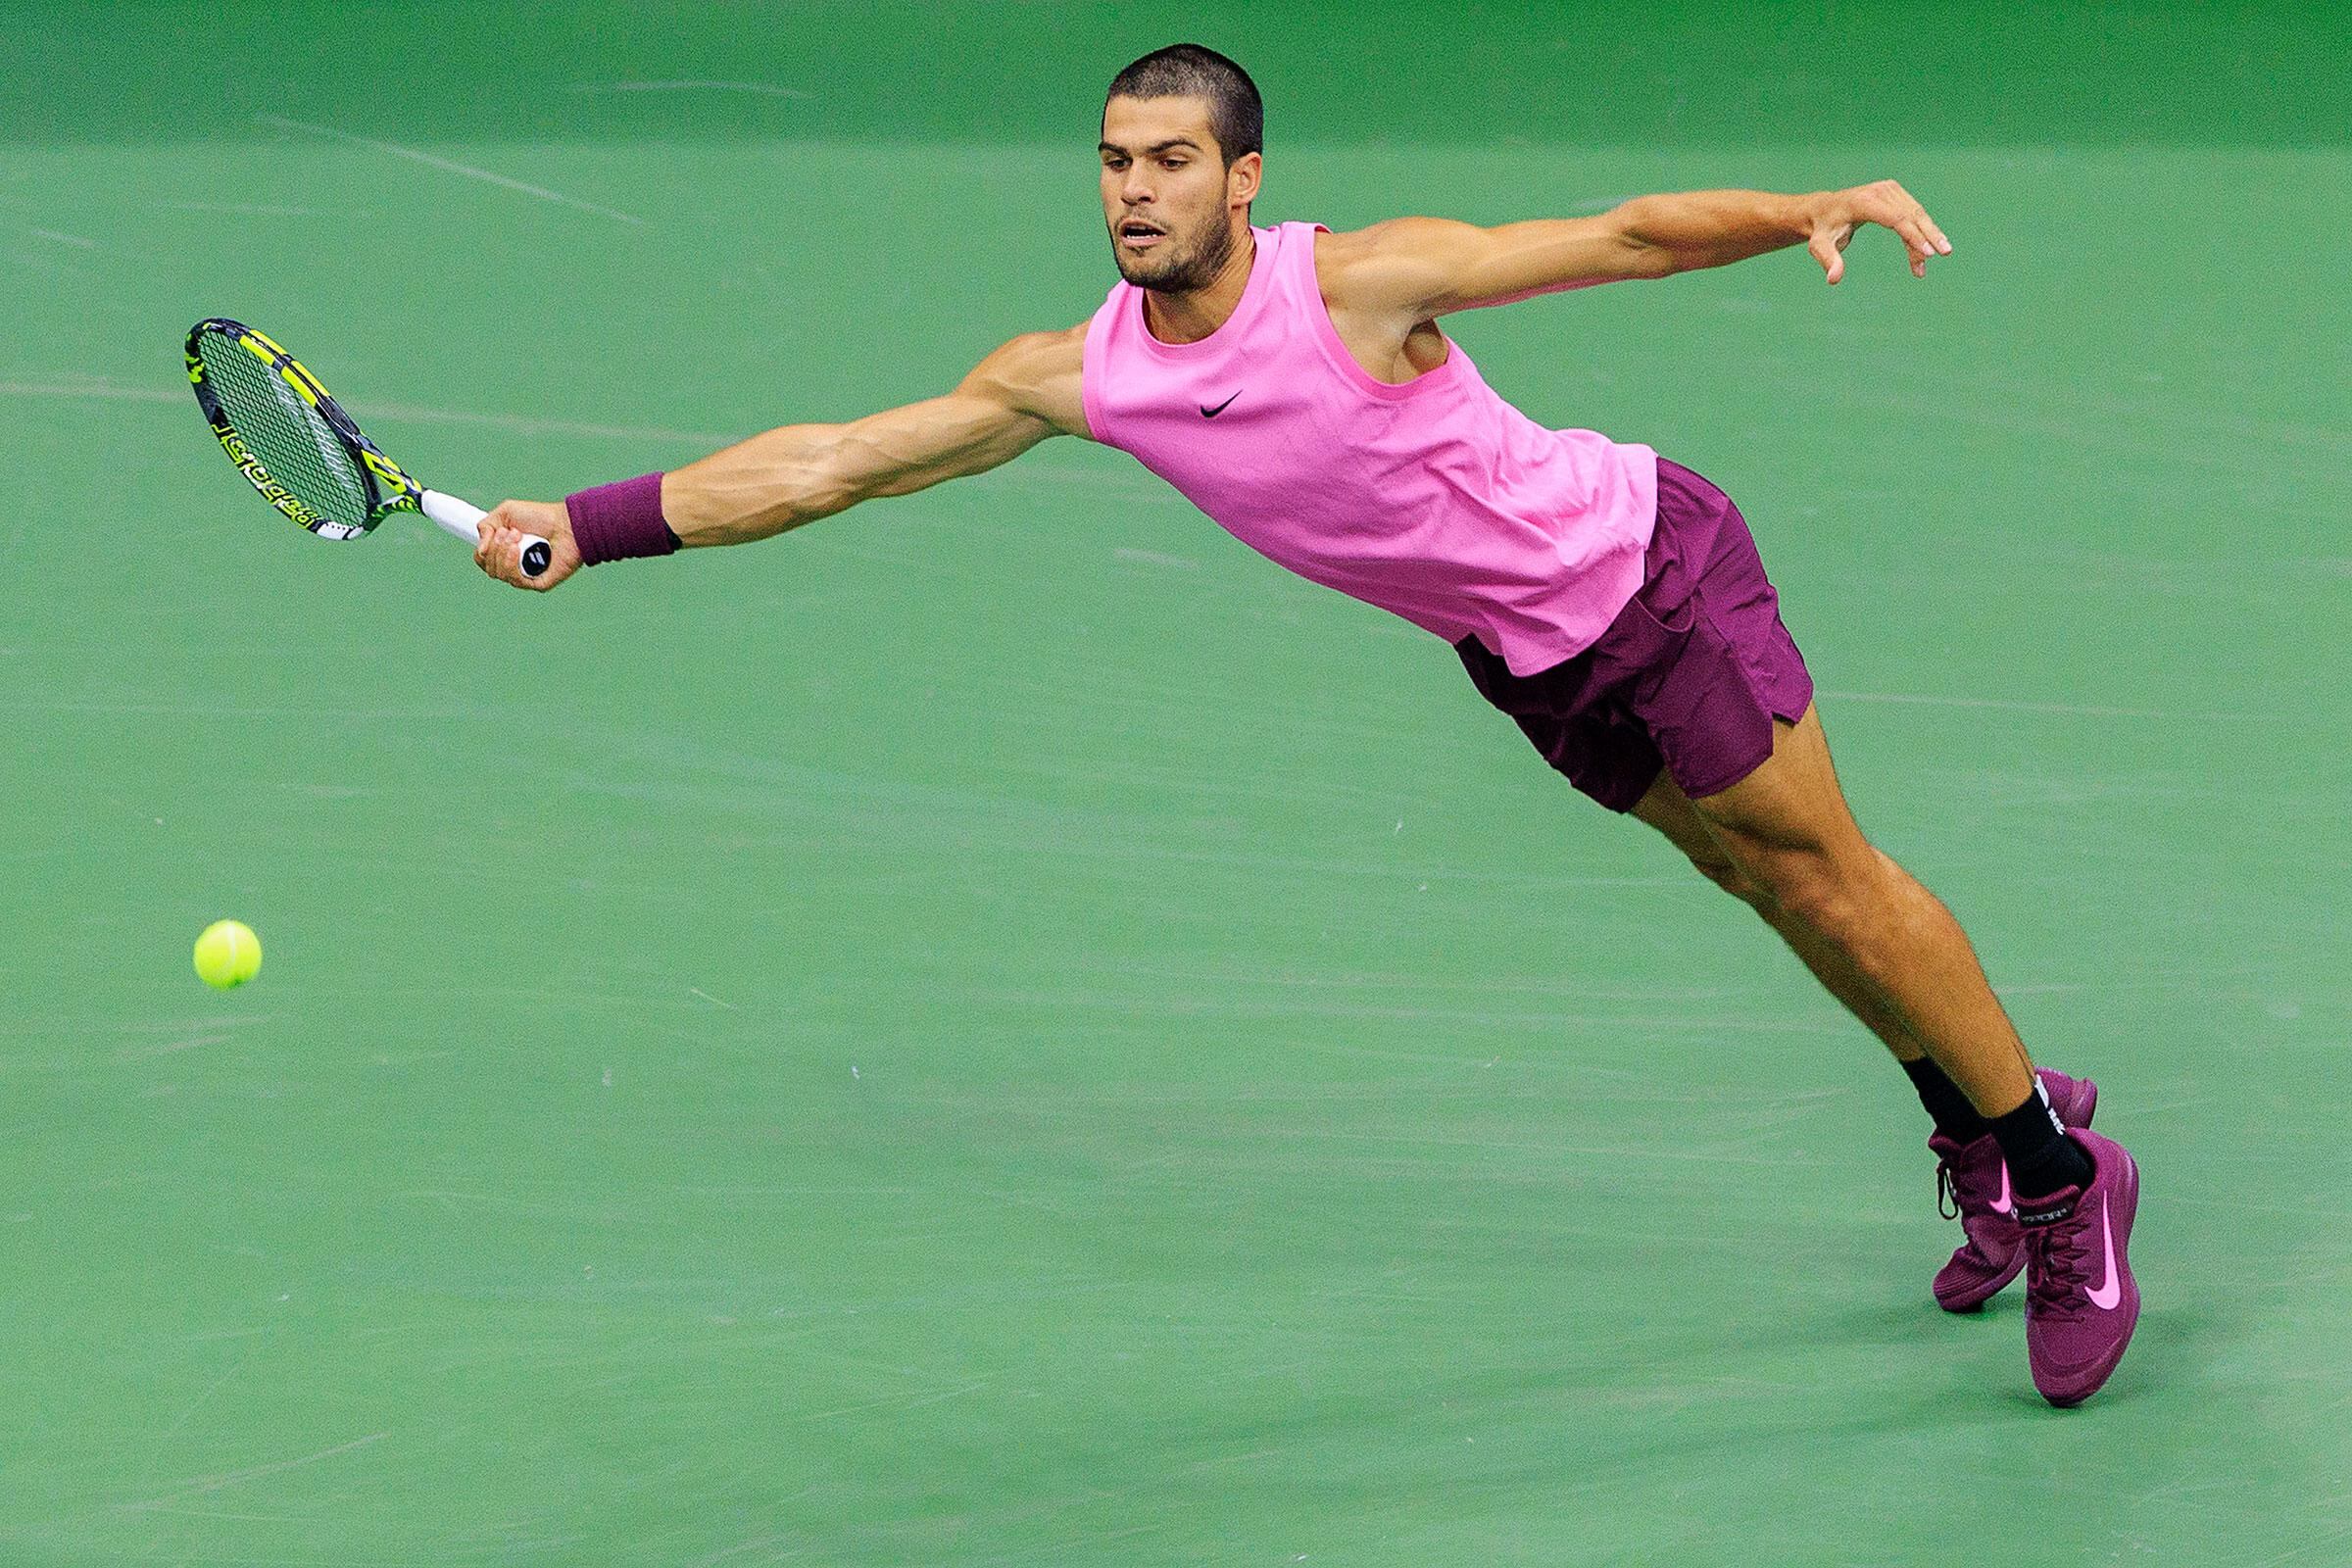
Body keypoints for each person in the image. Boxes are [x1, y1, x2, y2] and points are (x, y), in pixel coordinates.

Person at [473, 43, 2140, 1406]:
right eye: (1117, 160)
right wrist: (593, 521)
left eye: (1172, 161)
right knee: (1765, 890)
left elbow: (1620, 235)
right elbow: (835, 457)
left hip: (1650, 575)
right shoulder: (1084, 375)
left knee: (1825, 873)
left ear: (1242, 178)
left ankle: (2064, 1181)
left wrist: (1802, 210)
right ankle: (1987, 1114)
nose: (1136, 189)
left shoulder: (1355, 286)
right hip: (1527, 654)